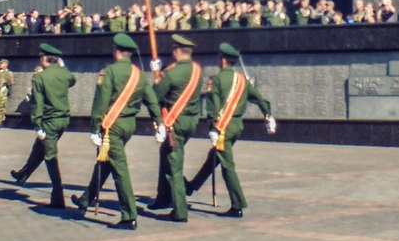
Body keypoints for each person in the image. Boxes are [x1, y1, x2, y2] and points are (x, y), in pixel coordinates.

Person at [72, 34, 163, 229]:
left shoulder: (110, 72)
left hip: (112, 125)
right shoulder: (139, 74)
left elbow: (101, 101)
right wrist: (159, 122)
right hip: (129, 124)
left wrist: (95, 127)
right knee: (106, 163)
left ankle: (129, 216)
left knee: (119, 170)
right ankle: (85, 200)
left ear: (117, 51)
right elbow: (151, 99)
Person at [182, 43, 275, 218]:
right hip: (237, 126)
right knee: (214, 157)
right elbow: (259, 99)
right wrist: (268, 115)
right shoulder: (242, 81)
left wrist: (213, 127)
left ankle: (237, 204)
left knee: (227, 166)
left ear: (223, 60)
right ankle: (192, 186)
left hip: (223, 128)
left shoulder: (216, 80)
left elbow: (213, 106)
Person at [148, 34, 204, 222]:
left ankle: (179, 211)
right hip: (191, 121)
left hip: (175, 123)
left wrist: (157, 77)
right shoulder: (197, 70)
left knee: (174, 166)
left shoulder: (171, 73)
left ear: (177, 51)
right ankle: (163, 198)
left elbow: (155, 96)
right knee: (166, 156)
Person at [11, 45, 74, 207]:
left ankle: (58, 196)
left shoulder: (40, 77)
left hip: (49, 121)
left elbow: (37, 103)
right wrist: (62, 65)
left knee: (50, 157)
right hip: (63, 120)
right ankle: (23, 174)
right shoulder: (65, 74)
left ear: (44, 59)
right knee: (39, 147)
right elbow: (72, 80)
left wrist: (37, 124)